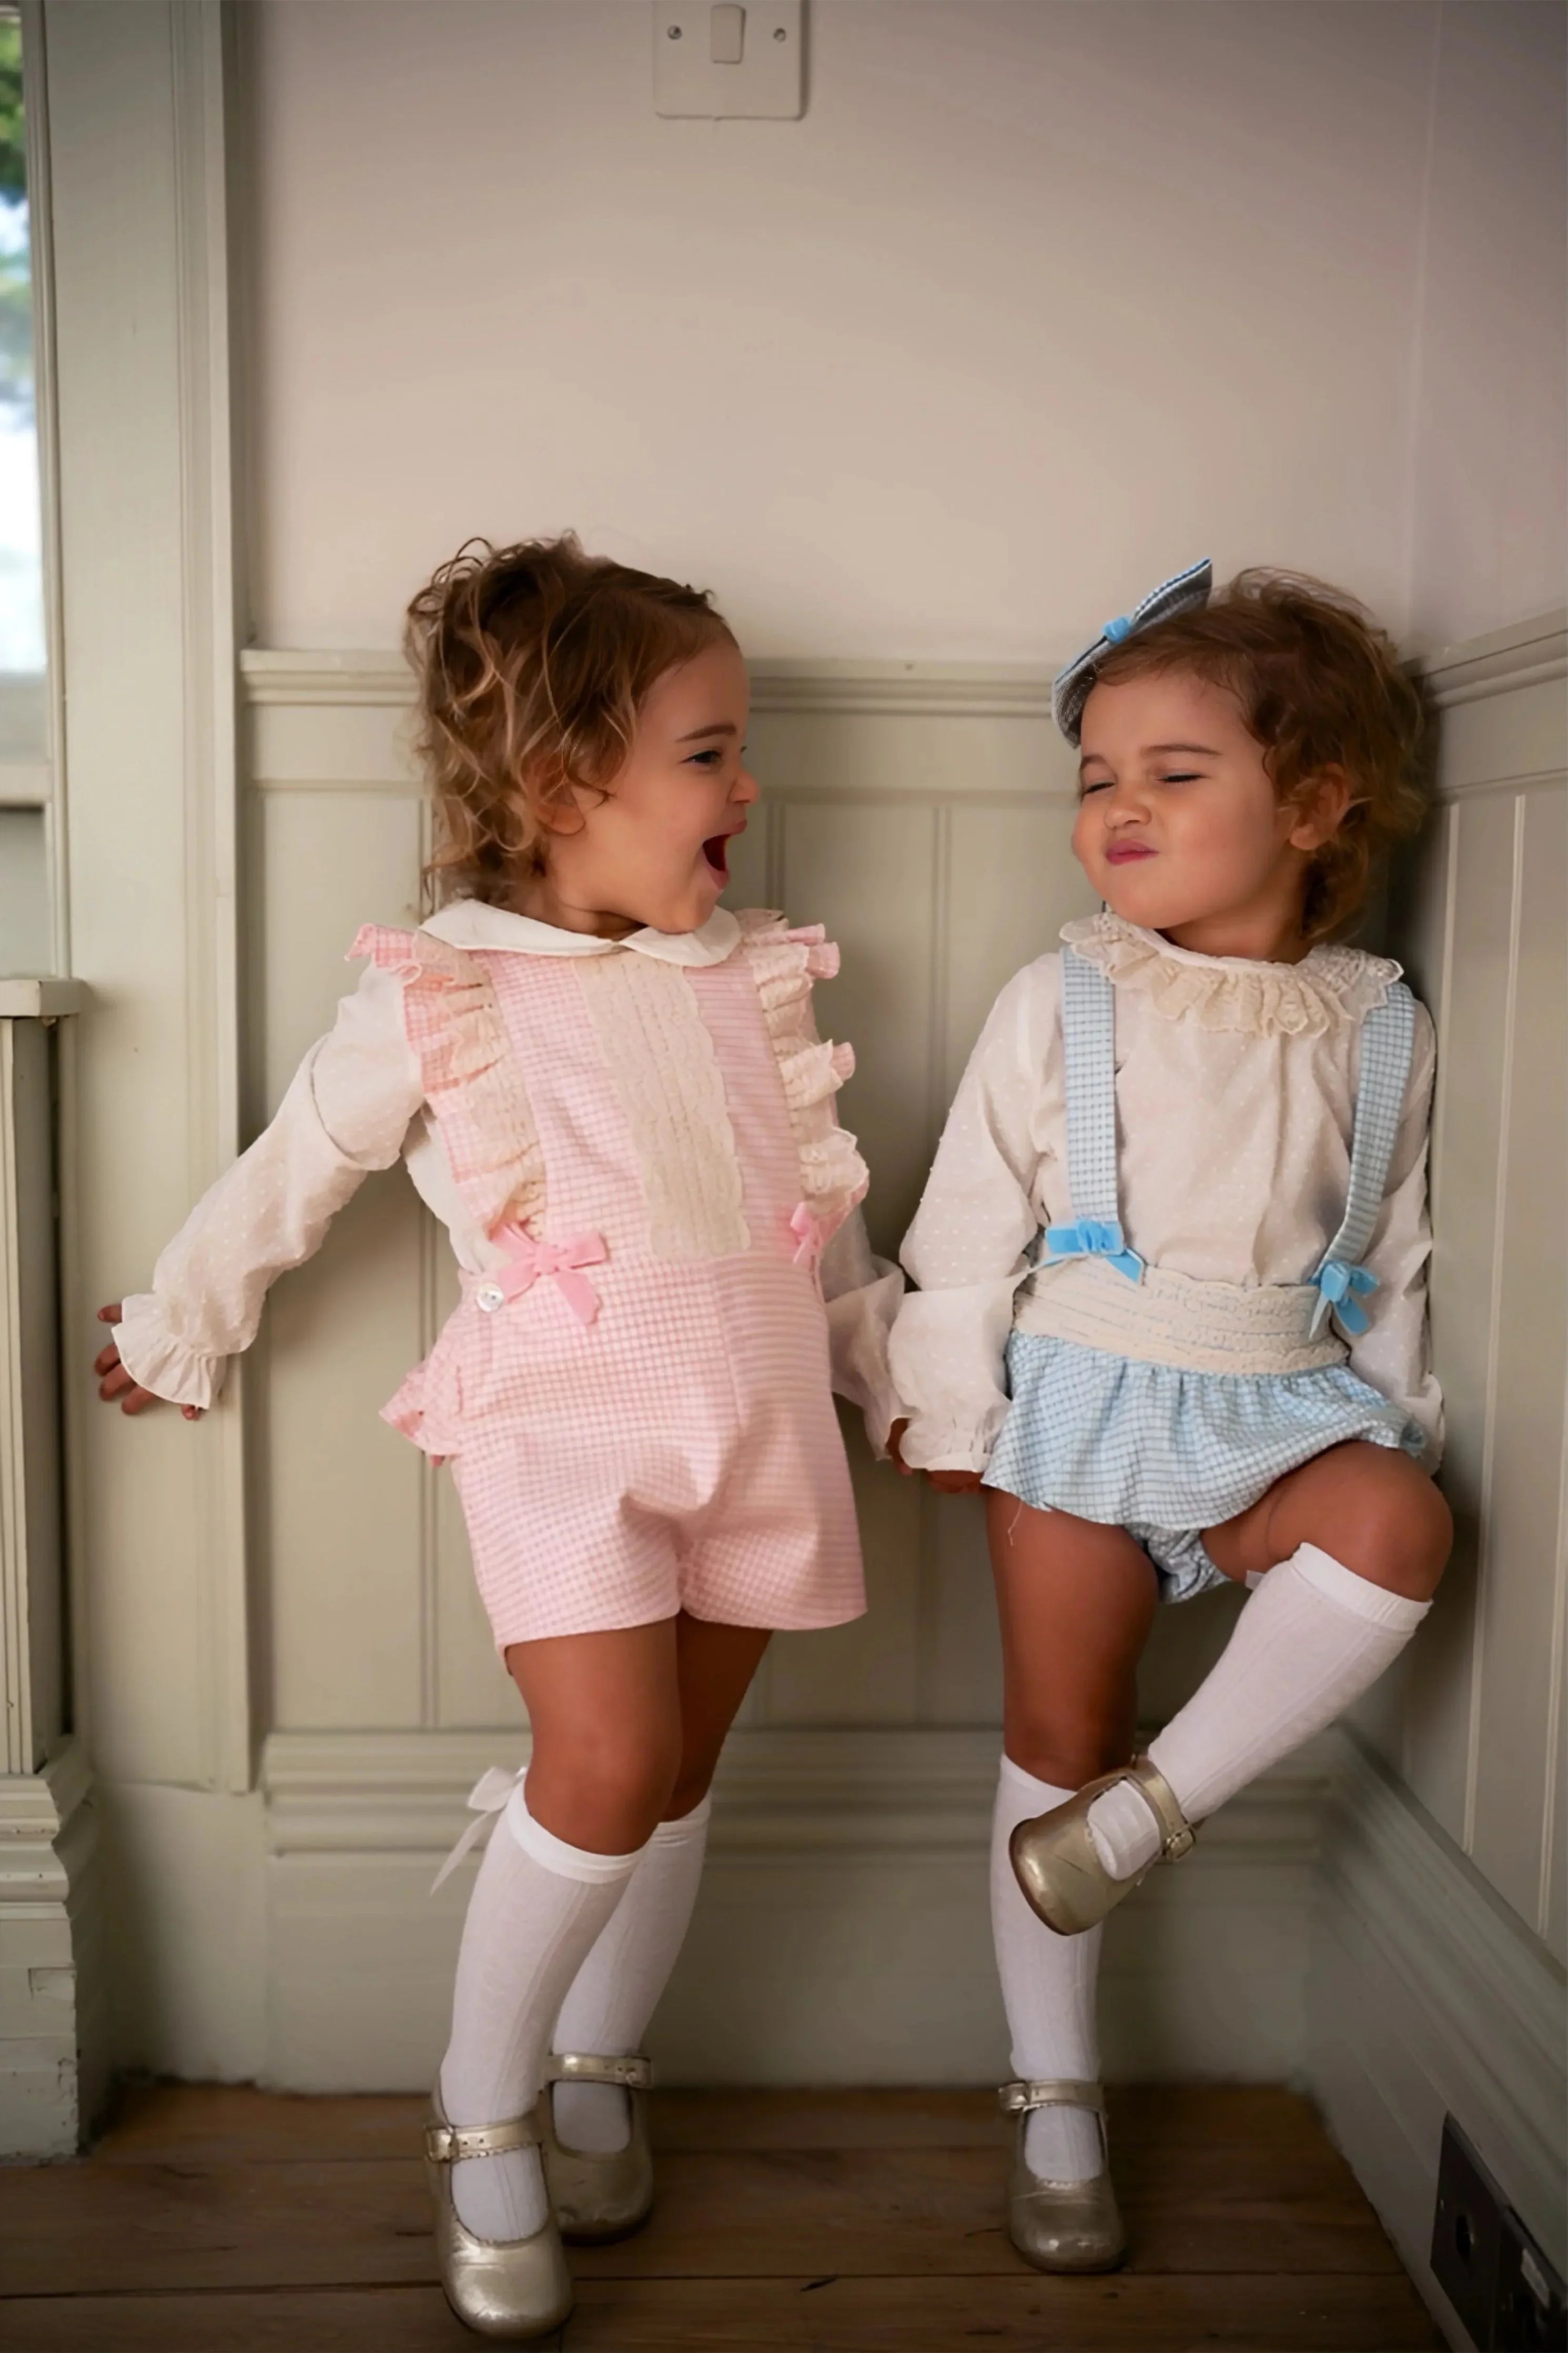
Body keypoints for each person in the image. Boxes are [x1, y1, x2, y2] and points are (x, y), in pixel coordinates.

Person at [95, 536, 901, 2341]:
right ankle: (480, 2101)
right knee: (603, 1763)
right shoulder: (446, 988)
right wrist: (184, 1318)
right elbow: (297, 1164)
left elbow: (820, 1214)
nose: (749, 788)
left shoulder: (750, 976)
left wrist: (898, 1380)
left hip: (763, 1423)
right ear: (563, 787)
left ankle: (606, 2050)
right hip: (569, 1436)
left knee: (679, 1779)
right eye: (710, 754)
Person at [888, 562, 1450, 2276]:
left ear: (1320, 802)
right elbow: (962, 1230)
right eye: (1095, 778)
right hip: (1076, 1410)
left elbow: (1395, 1249)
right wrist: (951, 1415)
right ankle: (1056, 2096)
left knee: (1405, 1528)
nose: (1119, 809)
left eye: (1174, 773)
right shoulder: (1064, 1000)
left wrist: (1396, 1414)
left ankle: (1144, 1819)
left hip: (1282, 1410)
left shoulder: (1382, 1026)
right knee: (1063, 1720)